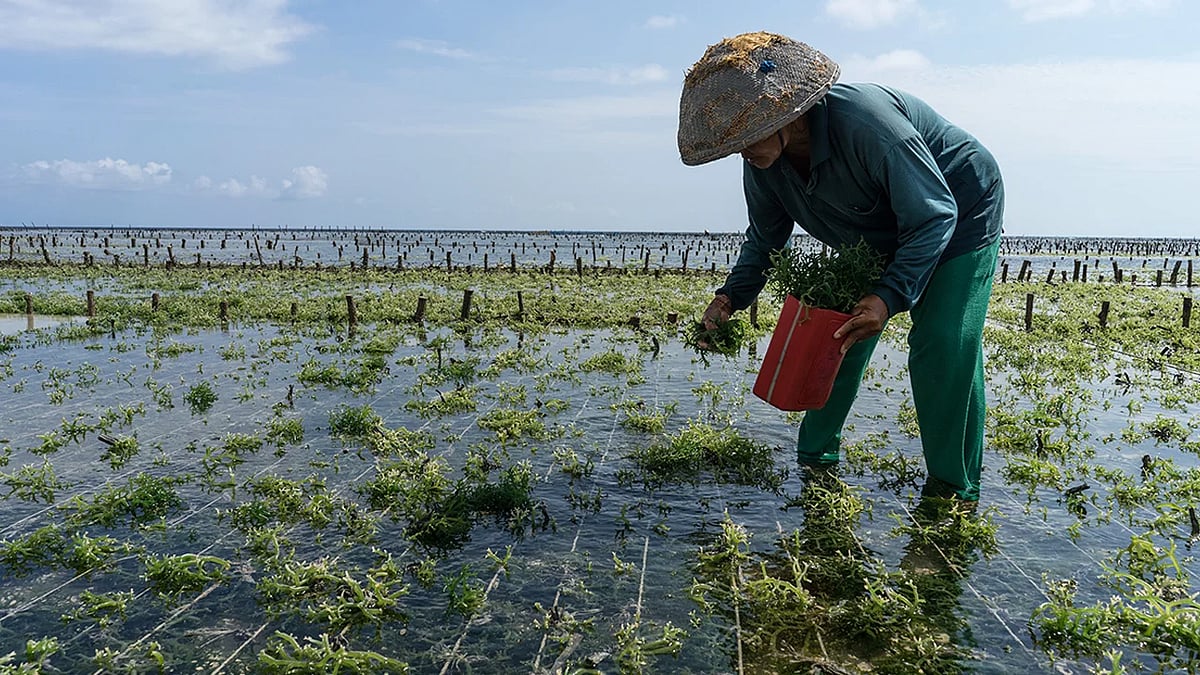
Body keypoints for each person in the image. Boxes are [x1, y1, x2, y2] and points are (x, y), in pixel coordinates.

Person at [678, 31, 1004, 502]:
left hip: (956, 205)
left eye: (747, 137)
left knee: (942, 341)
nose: (741, 151)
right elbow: (764, 240)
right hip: (876, 228)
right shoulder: (763, 165)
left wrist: (888, 296)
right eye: (733, 143)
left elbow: (934, 213)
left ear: (785, 115)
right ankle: (815, 455)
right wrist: (728, 300)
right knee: (837, 330)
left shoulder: (866, 123)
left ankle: (953, 489)